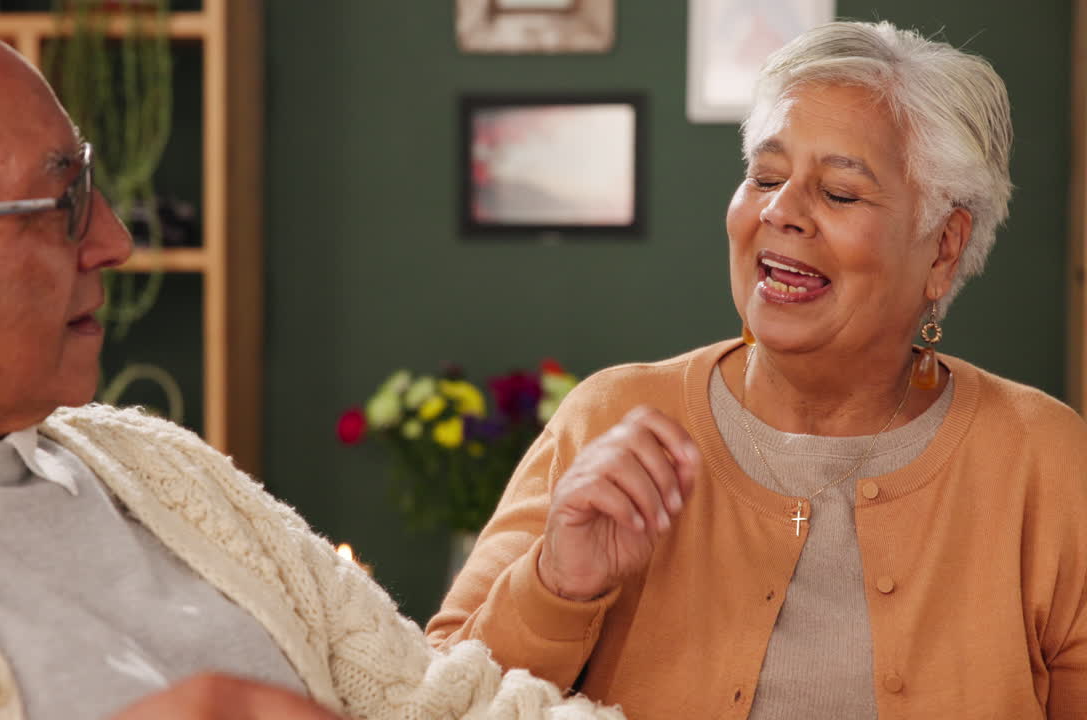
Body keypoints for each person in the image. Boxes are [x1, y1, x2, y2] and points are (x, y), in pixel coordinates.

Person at [0, 16, 626, 720]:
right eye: (58, 203)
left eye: (88, 182)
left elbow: (444, 704)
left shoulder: (162, 470)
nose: (114, 240)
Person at [427, 20, 1087, 720]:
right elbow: (436, 700)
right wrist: (557, 583)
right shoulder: (608, 414)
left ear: (945, 248)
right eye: (765, 177)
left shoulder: (1040, 456)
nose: (779, 211)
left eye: (837, 192)